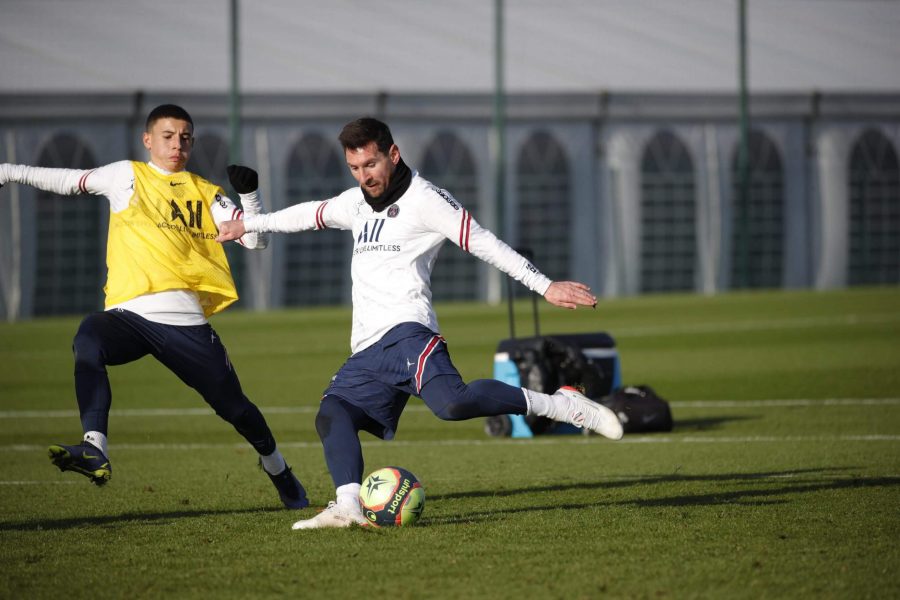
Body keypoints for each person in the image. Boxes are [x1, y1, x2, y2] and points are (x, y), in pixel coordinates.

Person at [215, 117, 623, 529]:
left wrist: (544, 285)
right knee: (333, 413)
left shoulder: (427, 199)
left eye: (370, 164)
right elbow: (309, 214)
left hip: (408, 330)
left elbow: (483, 242)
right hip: (368, 347)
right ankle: (347, 507)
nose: (363, 176)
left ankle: (563, 405)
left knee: (452, 404)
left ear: (393, 154)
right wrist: (248, 223)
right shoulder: (355, 202)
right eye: (354, 168)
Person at [0, 104, 308, 509]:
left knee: (236, 409)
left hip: (185, 323)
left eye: (185, 137)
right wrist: (9, 171)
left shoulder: (206, 191)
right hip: (128, 316)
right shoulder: (126, 175)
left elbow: (255, 240)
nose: (177, 144)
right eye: (168, 136)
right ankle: (95, 447)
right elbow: (69, 181)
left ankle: (278, 469)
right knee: (88, 338)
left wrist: (250, 197)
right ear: (148, 140)